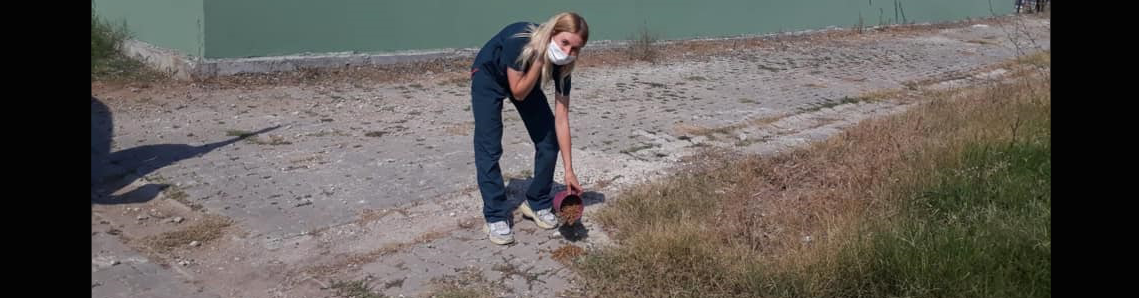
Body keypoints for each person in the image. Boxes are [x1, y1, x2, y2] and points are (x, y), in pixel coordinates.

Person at [468, 12, 589, 245]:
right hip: (489, 75)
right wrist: (541, 60)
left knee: (548, 140)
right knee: (489, 146)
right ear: (552, 33)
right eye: (564, 43)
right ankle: (495, 215)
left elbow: (562, 118)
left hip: (526, 78)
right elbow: (518, 92)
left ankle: (537, 201)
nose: (567, 53)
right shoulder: (520, 39)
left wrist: (569, 170)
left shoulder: (565, 67)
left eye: (575, 48)